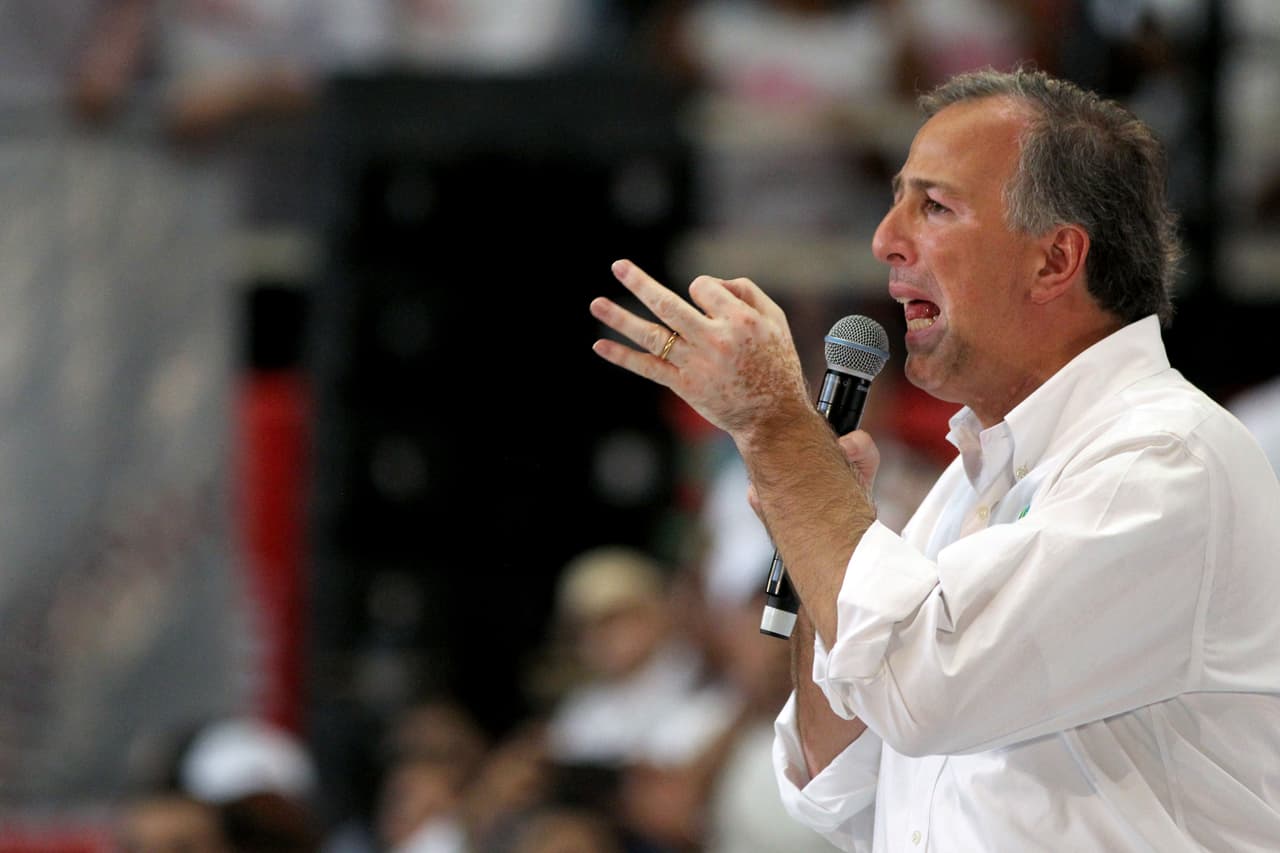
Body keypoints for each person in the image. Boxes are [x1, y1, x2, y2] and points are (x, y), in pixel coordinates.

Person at [589, 66, 1280, 851]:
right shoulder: (971, 480)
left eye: (936, 207)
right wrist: (809, 501)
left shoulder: (1163, 457)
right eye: (895, 199)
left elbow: (927, 685)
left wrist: (780, 426)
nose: (885, 238)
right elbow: (839, 781)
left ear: (1055, 262)